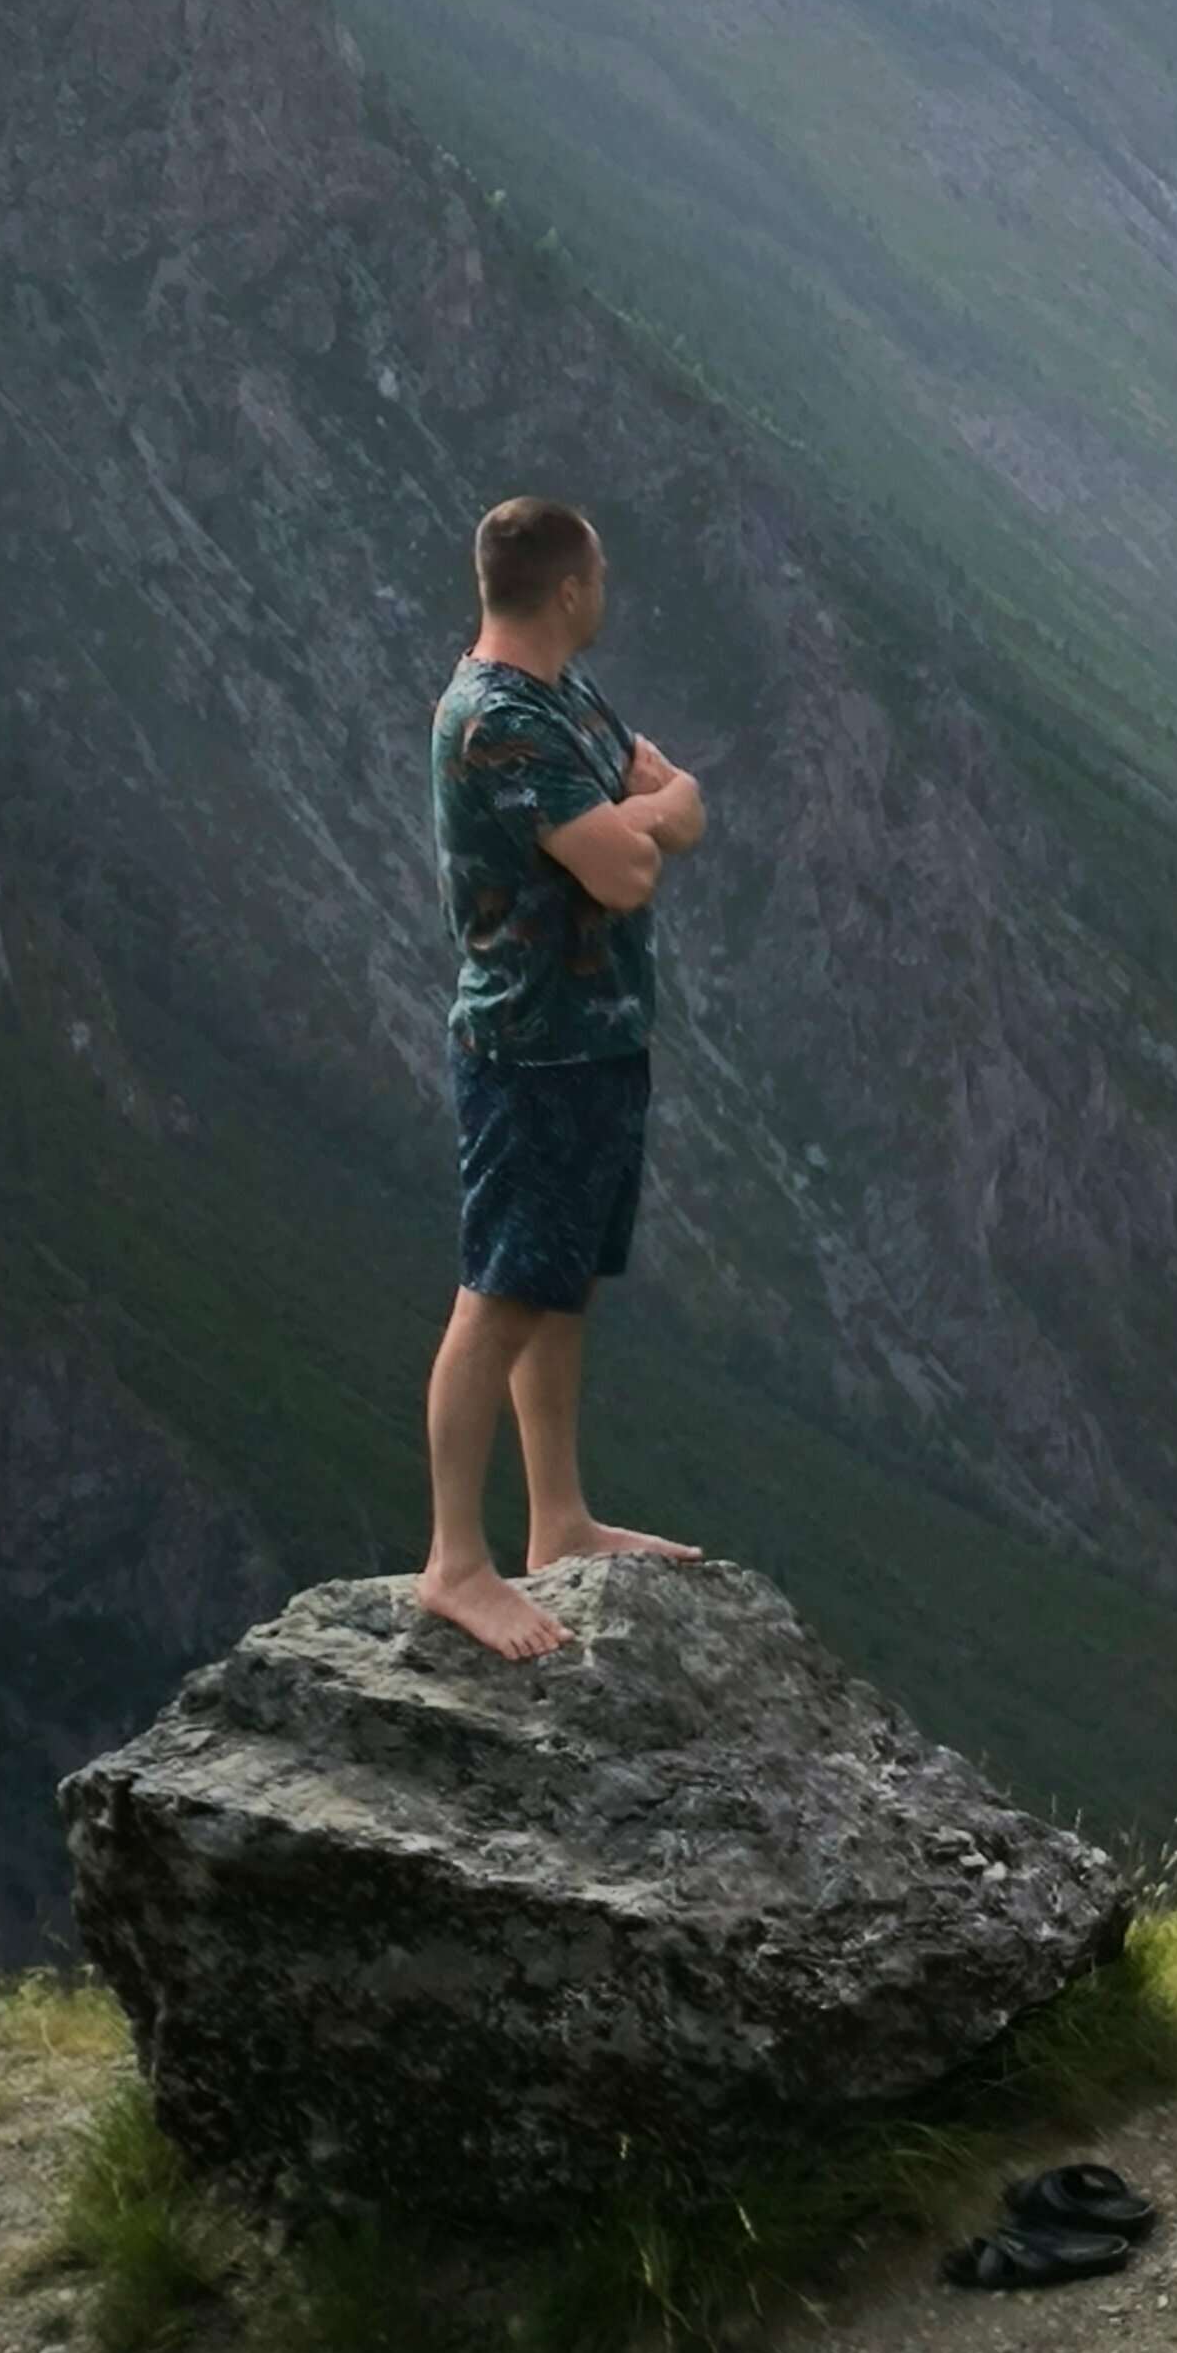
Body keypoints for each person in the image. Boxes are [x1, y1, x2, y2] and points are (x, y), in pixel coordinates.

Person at [418, 497, 708, 1657]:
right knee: (497, 1296)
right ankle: (455, 1558)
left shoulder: (561, 697)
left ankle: (557, 1519)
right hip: (532, 1046)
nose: (607, 588)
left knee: (558, 1283)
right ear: (569, 591)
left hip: (594, 1041)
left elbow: (677, 803)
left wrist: (647, 814)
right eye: (601, 572)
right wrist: (650, 816)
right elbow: (635, 862)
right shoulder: (499, 722)